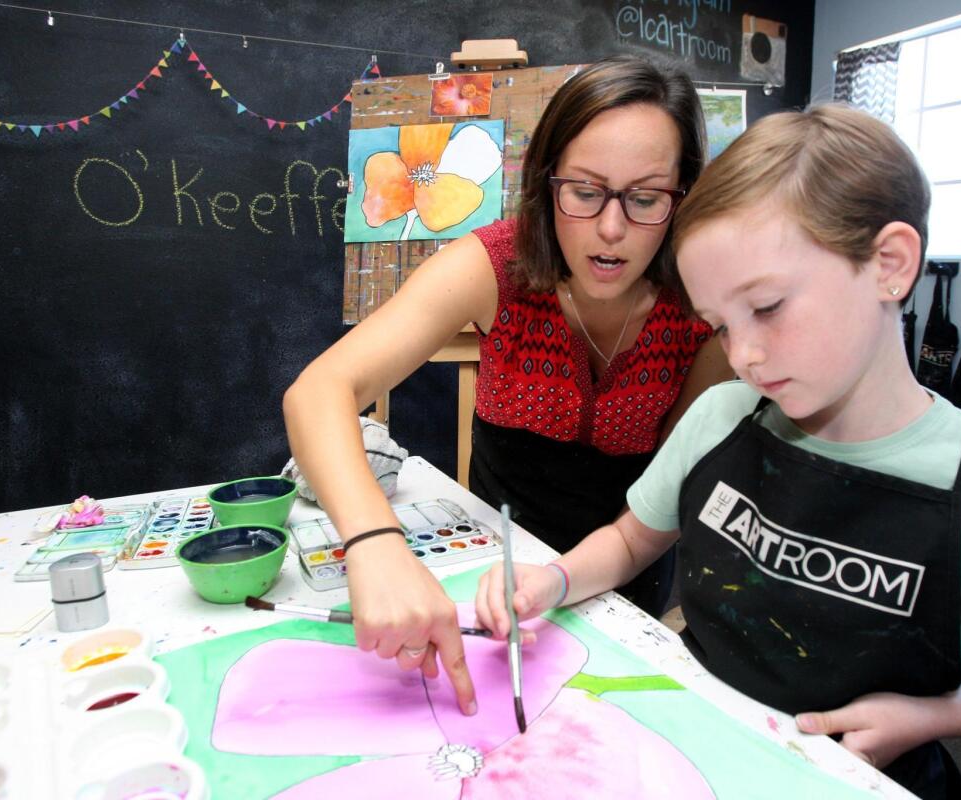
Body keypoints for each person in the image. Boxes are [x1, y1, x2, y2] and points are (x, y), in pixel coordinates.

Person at [475, 104, 961, 798]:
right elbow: (631, 543)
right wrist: (553, 580)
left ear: (889, 264)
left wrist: (925, 716)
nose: (743, 356)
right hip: (696, 756)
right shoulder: (719, 417)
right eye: (719, 326)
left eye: (769, 307)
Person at [283, 56, 730, 717]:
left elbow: (673, 486)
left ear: (683, 196)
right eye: (585, 191)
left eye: (645, 198)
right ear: (547, 183)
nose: (612, 230)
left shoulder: (707, 303)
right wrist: (375, 545)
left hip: (622, 575)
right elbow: (319, 390)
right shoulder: (493, 263)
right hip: (487, 563)